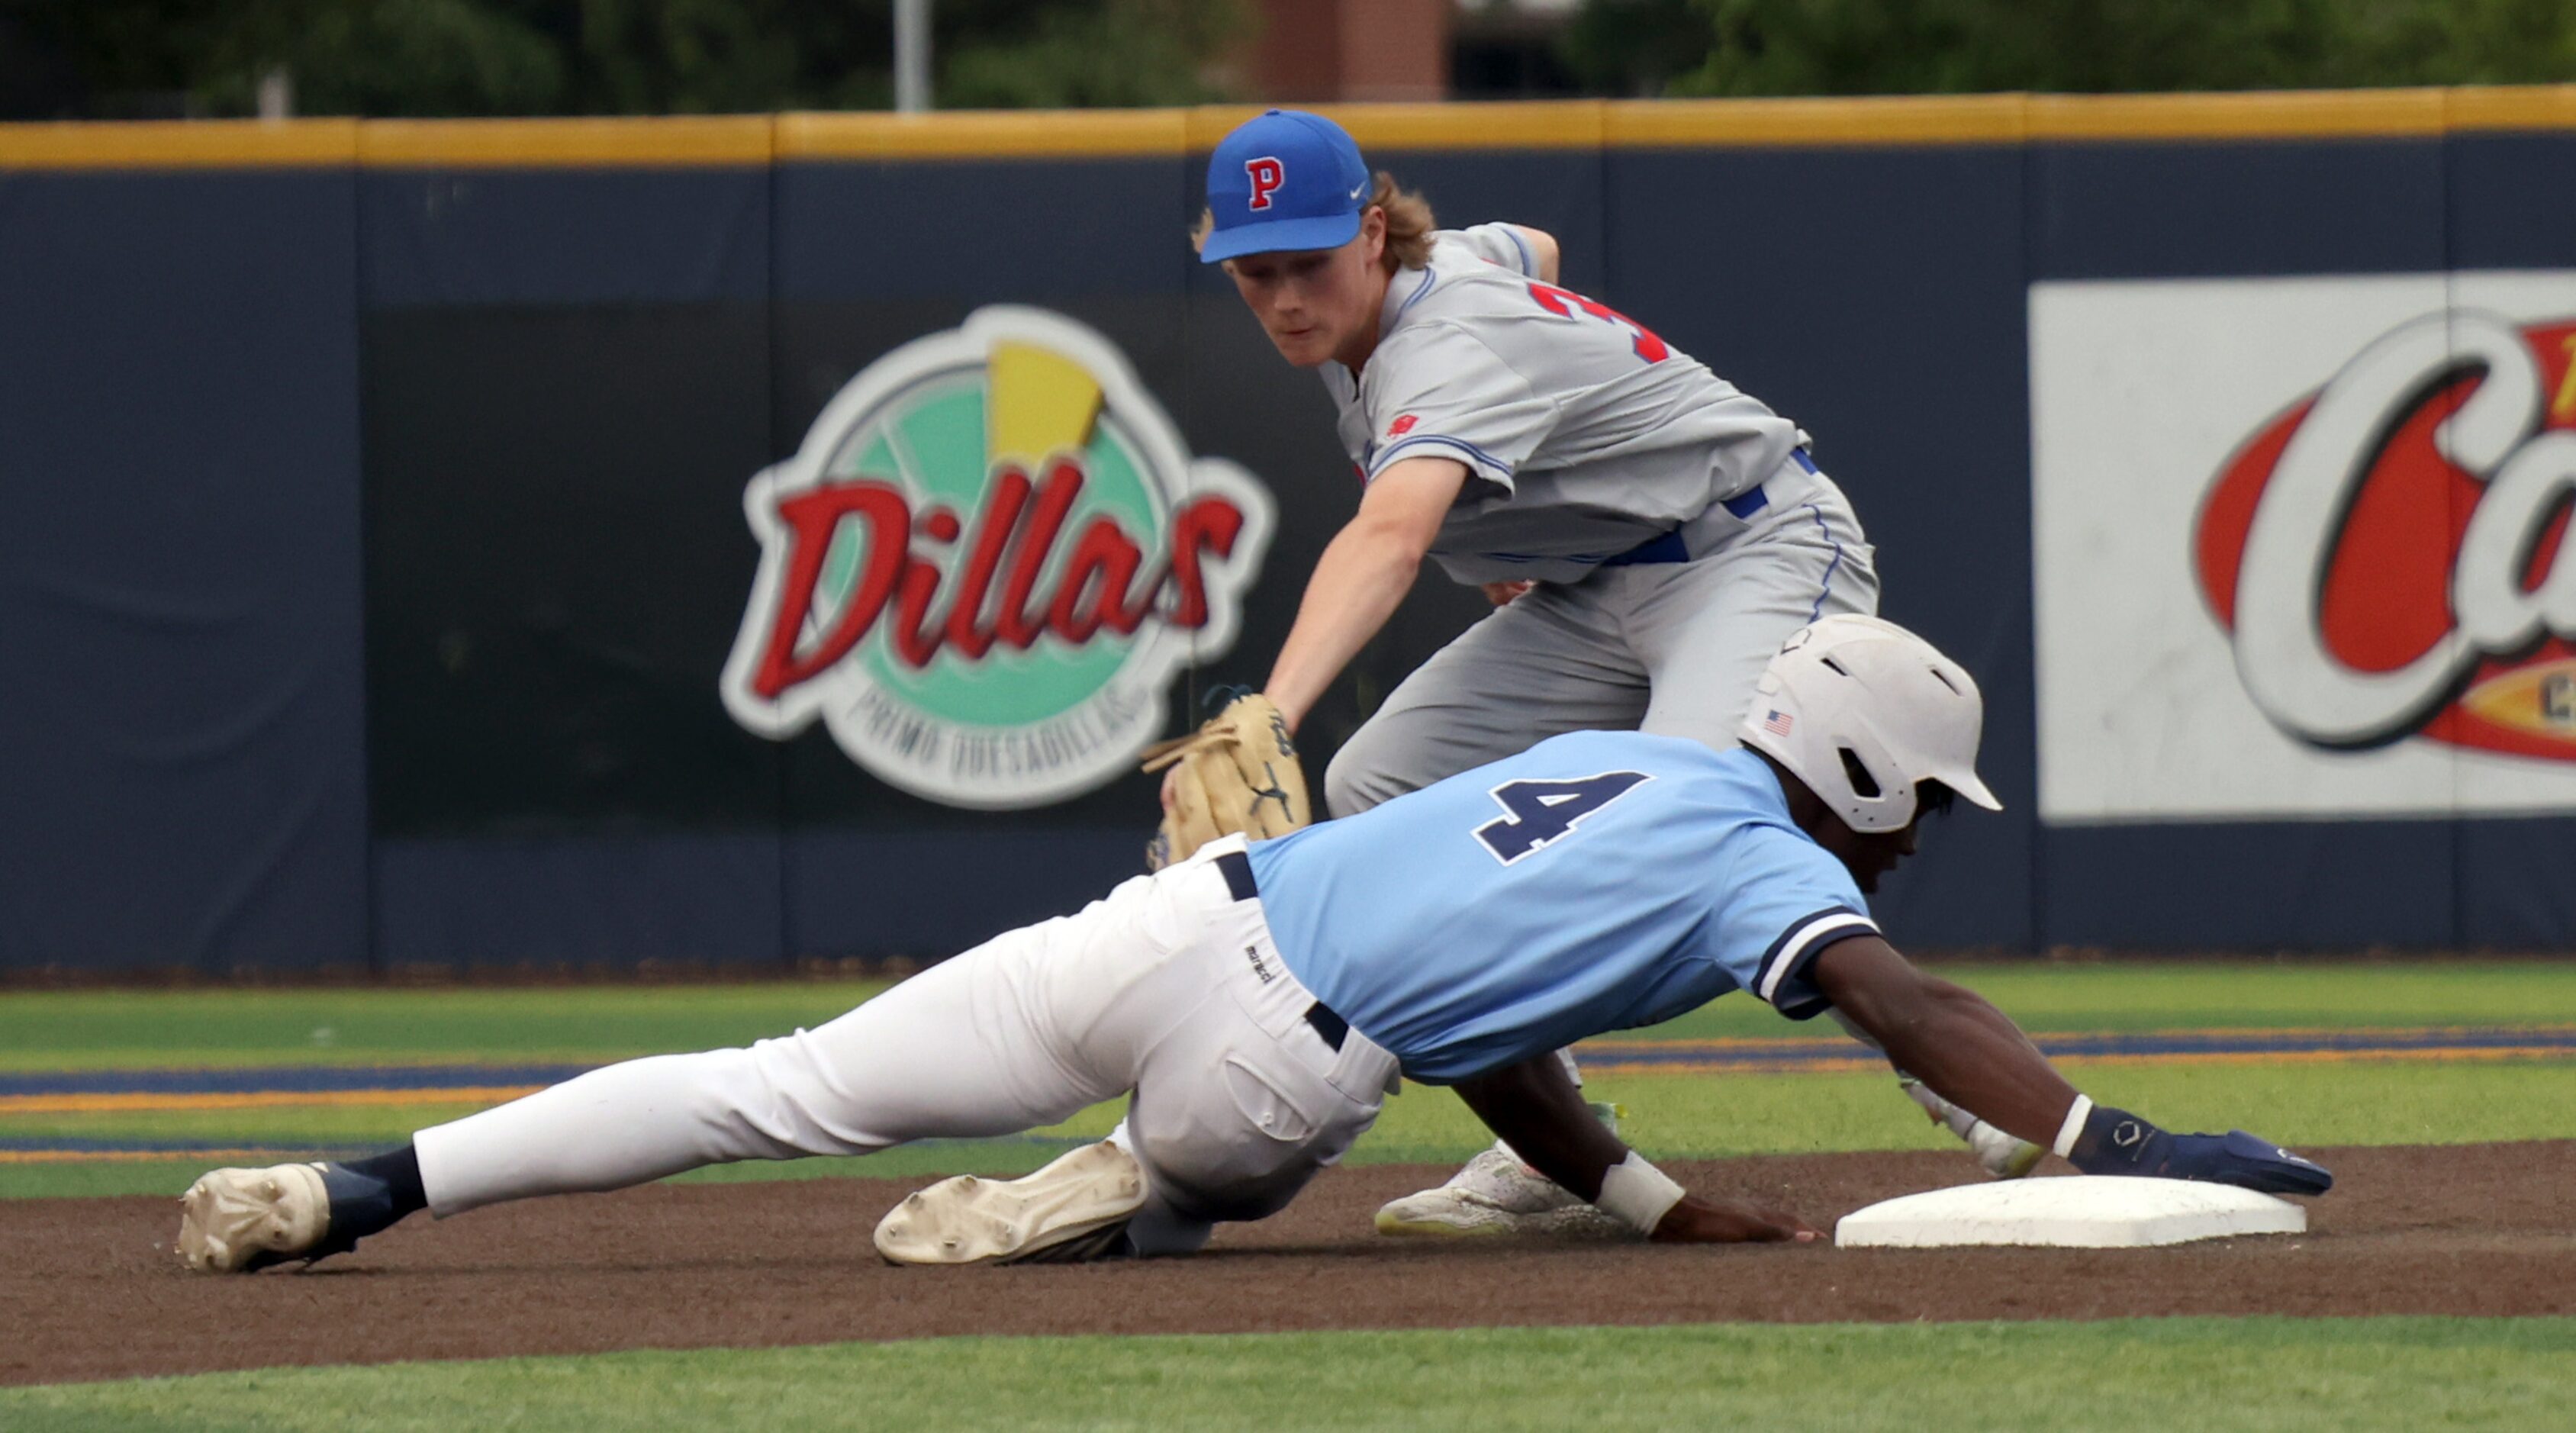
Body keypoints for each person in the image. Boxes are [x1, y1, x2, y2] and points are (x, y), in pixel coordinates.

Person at [177, 617, 2328, 1275]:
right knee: (1259, 1133)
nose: (1916, 839)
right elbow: (1907, 998)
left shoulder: (1631, 772)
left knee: (780, 1082)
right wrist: (2083, 1126)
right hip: (1277, 1055)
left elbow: (1502, 1019)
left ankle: (364, 1182)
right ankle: (1136, 1191)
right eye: (1919, 798)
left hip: (1172, 919)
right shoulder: (1763, 865)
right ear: (1854, 762)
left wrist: (1649, 1194)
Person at [1187, 109, 2032, 1238]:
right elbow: (1533, 243)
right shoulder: (1446, 268)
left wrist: (1271, 712)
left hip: (1750, 545)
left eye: (1310, 261)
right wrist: (1548, 506)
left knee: (1681, 827)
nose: (1287, 296)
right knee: (1381, 783)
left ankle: (1960, 1080)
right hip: (1597, 590)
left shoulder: (1445, 342)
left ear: (1374, 233)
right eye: (1256, 272)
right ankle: (1552, 1151)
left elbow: (1389, 539)